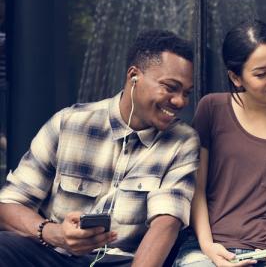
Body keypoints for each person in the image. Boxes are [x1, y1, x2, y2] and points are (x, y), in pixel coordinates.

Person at [0, 30, 199, 267]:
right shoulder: (69, 123)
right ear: (133, 76)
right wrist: (56, 234)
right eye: (170, 87)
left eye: (186, 93)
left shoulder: (183, 141)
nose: (180, 102)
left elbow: (166, 223)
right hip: (55, 255)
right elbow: (9, 204)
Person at [173, 20, 266, 267]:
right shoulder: (212, 108)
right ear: (236, 77)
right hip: (207, 248)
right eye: (261, 74)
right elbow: (196, 189)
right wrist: (209, 247)